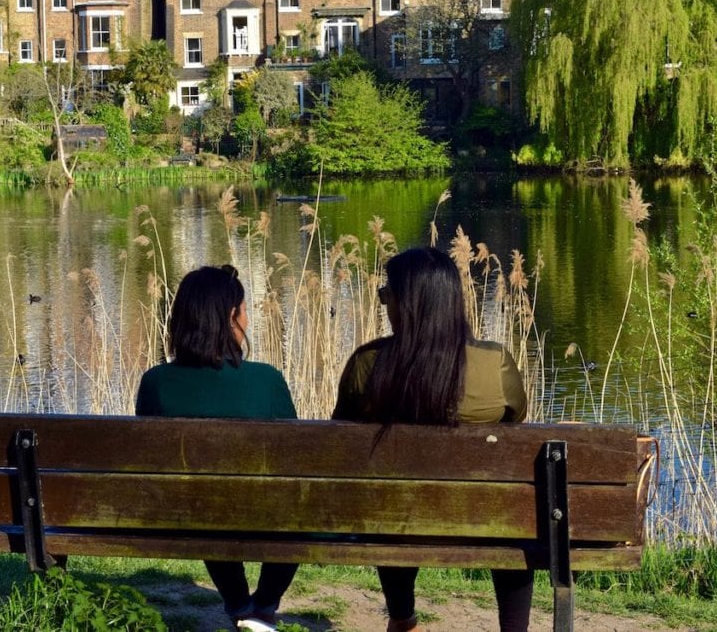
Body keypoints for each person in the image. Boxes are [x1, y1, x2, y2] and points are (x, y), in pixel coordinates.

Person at [333, 247, 532, 632]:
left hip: (399, 520)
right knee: (512, 520)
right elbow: (517, 419)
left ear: (406, 304)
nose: (383, 303)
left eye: (385, 294)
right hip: (484, 519)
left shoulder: (366, 365)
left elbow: (341, 436)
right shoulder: (495, 364)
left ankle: (403, 620)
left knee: (392, 501)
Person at [136, 264, 298, 632]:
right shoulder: (267, 380)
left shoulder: (156, 382)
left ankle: (240, 603)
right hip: (260, 515)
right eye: (245, 312)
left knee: (203, 498)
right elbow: (294, 460)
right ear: (230, 316)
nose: (248, 321)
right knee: (296, 509)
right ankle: (263, 606)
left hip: (182, 516)